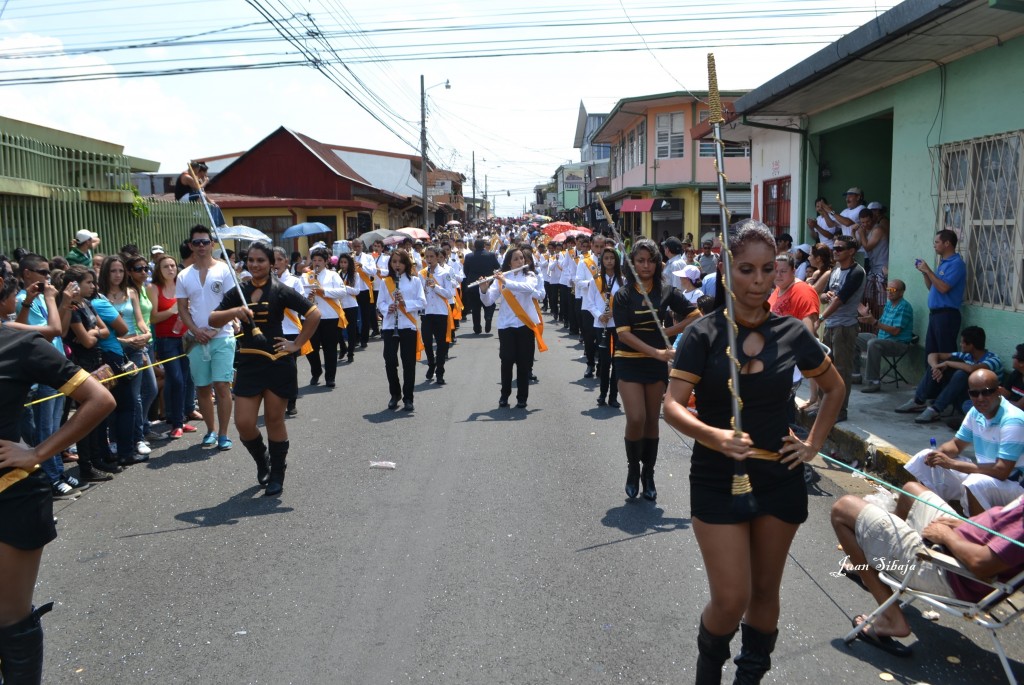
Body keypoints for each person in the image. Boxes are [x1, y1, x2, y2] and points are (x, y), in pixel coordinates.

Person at [662, 220, 844, 685]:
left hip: (779, 477)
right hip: (716, 477)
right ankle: (708, 673)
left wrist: (812, 444)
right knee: (731, 598)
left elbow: (833, 388)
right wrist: (714, 436)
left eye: (768, 269)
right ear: (726, 270)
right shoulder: (702, 335)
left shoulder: (793, 333)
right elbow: (672, 407)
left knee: (765, 593)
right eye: (746, 269)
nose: (758, 280)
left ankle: (749, 678)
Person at [0, 272, 115, 685]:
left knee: (8, 619)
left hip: (10, 497)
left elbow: (99, 399)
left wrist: (38, 452)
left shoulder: (19, 343)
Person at [831, 483, 1024, 656]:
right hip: (958, 544)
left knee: (843, 508)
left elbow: (981, 564)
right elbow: (1000, 532)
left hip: (949, 570)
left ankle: (891, 618)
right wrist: (965, 525)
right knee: (910, 491)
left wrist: (947, 536)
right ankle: (878, 562)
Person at [209, 242, 320, 496]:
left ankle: (278, 473)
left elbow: (313, 314)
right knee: (244, 423)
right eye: (250, 260)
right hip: (249, 362)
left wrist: (297, 344)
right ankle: (262, 460)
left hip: (277, 361)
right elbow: (212, 319)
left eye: (260, 260)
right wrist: (236, 311)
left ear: (272, 263)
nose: (255, 265)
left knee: (273, 419)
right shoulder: (240, 289)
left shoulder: (281, 290)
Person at [612, 238, 699, 502]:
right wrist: (658, 351)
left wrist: (669, 333)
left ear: (658, 262)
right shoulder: (623, 295)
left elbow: (694, 314)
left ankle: (648, 473)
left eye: (650, 260)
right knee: (636, 418)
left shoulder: (666, 292)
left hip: (655, 365)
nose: (646, 265)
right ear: (632, 264)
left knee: (652, 420)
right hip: (628, 360)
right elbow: (624, 335)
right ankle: (632, 470)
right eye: (640, 260)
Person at [900, 369, 1024, 516]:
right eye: (974, 393)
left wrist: (951, 463)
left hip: (1014, 486)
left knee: (975, 483)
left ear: (998, 391)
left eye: (986, 392)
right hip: (988, 475)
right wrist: (939, 453)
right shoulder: (975, 412)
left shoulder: (1013, 420)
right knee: (924, 457)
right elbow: (957, 444)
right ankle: (929, 514)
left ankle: (979, 534)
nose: (980, 398)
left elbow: (1002, 471)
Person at [15, 256, 79, 497]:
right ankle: (51, 477)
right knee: (47, 430)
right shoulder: (24, 301)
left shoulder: (44, 298)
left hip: (56, 367)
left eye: (48, 272)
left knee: (55, 426)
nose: (47, 277)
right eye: (42, 272)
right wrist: (54, 301)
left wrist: (64, 304)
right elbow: (47, 334)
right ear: (27, 273)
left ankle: (58, 471)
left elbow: (61, 331)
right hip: (41, 371)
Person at [175, 225, 236, 451]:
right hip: (196, 338)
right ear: (191, 246)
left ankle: (223, 433)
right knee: (202, 387)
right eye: (196, 242)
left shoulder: (224, 270)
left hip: (223, 336)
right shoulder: (183, 275)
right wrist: (196, 330)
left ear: (212, 244)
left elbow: (231, 302)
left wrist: (214, 329)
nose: (201, 246)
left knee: (222, 385)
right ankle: (210, 430)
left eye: (205, 241)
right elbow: (182, 308)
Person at [96, 255, 150, 465]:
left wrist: (145, 335)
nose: (117, 275)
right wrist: (123, 339)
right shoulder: (99, 296)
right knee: (116, 399)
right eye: (113, 271)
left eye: (120, 271)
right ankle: (118, 441)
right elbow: (106, 331)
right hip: (111, 351)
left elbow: (140, 321)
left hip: (135, 348)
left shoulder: (131, 292)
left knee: (137, 396)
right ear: (105, 273)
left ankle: (136, 439)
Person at [481, 248, 545, 408]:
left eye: (522, 258)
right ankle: (504, 395)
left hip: (525, 324)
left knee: (523, 363)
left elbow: (528, 289)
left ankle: (522, 397)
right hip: (506, 325)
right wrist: (483, 289)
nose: (520, 261)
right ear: (509, 262)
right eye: (516, 259)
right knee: (507, 360)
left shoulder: (529, 276)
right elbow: (488, 301)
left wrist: (505, 281)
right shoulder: (500, 278)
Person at [897, 326, 1002, 423]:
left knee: (961, 374)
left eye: (962, 342)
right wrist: (935, 367)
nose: (960, 345)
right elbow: (933, 355)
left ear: (971, 345)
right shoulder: (966, 355)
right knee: (936, 364)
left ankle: (936, 409)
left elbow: (971, 369)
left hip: (974, 397)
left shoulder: (993, 359)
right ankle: (918, 401)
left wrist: (947, 363)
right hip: (958, 392)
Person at [813, 237, 865, 422]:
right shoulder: (835, 270)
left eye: (840, 248)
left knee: (842, 371)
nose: (835, 251)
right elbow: (823, 294)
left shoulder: (857, 272)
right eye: (834, 248)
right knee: (824, 368)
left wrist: (820, 318)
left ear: (851, 251)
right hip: (831, 325)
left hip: (845, 327)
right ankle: (822, 407)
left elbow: (840, 299)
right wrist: (824, 295)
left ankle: (840, 412)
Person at [148, 255, 194, 439]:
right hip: (166, 339)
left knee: (185, 377)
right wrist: (172, 310)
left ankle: (180, 419)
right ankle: (176, 422)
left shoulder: (182, 285)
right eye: (166, 266)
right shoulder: (153, 288)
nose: (170, 269)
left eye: (173, 266)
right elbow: (153, 318)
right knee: (175, 379)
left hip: (185, 337)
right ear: (159, 269)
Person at [377, 249, 425, 411]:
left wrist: (405, 303)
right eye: (394, 262)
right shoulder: (386, 282)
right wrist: (387, 308)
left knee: (408, 363)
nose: (397, 265)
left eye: (400, 262)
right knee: (390, 360)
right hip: (391, 326)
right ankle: (395, 394)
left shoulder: (415, 281)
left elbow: (422, 302)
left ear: (406, 263)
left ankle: (408, 398)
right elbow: (380, 303)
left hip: (408, 326)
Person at [915, 228, 967, 365]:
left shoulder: (957, 264)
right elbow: (932, 288)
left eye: (937, 242)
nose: (934, 245)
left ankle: (946, 384)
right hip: (935, 315)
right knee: (931, 353)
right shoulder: (943, 263)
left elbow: (944, 288)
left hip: (947, 315)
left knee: (944, 353)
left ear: (947, 243)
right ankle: (931, 385)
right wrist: (925, 273)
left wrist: (929, 270)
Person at [125, 253, 161, 444]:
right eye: (139, 269)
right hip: (135, 344)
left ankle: (144, 425)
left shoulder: (144, 289)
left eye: (146, 268)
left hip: (148, 341)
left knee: (150, 390)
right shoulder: (131, 291)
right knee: (142, 392)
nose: (144, 272)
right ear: (129, 272)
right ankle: (139, 431)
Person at [855, 279, 914, 393]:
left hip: (898, 344)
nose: (889, 292)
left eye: (893, 290)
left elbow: (895, 331)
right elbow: (879, 325)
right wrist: (868, 316)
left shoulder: (904, 307)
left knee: (873, 344)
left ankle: (874, 382)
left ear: (901, 292)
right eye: (888, 289)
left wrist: (874, 322)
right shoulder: (888, 304)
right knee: (854, 337)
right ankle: (855, 374)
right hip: (882, 339)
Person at [301, 247, 347, 388]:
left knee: (330, 348)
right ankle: (316, 371)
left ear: (326, 261)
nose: (316, 263)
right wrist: (306, 297)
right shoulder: (306, 276)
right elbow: (299, 294)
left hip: (330, 316)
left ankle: (330, 377)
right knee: (312, 348)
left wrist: (323, 291)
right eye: (314, 260)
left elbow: (342, 292)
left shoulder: (333, 275)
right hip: (312, 317)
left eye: (320, 260)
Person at [584, 247, 625, 408]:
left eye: (612, 258)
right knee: (605, 360)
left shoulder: (623, 280)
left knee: (616, 361)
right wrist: (599, 315)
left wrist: (615, 312)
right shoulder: (596, 280)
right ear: (602, 261)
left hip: (617, 325)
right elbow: (589, 302)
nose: (609, 261)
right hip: (600, 324)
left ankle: (613, 396)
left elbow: (625, 302)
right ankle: (602, 394)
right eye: (606, 258)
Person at [420, 246, 454, 385]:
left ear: (437, 257)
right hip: (427, 312)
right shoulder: (421, 273)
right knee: (427, 342)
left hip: (441, 312)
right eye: (426, 257)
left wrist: (435, 287)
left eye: (431, 257)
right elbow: (419, 293)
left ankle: (440, 371)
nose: (429, 260)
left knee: (441, 344)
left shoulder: (444, 273)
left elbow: (449, 294)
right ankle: (431, 363)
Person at [855, 208, 890, 326]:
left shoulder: (878, 229)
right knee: (869, 300)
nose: (865, 225)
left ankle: (881, 326)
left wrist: (861, 233)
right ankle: (872, 327)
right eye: (862, 222)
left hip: (882, 269)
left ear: (873, 219)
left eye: (868, 222)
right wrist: (852, 232)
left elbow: (867, 247)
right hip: (873, 270)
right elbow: (855, 247)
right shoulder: (864, 231)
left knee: (882, 302)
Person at [461, 238, 501, 335]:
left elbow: (466, 271)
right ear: (484, 245)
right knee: (489, 303)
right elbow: (497, 266)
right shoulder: (490, 255)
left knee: (475, 307)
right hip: (488, 283)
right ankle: (488, 317)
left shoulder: (469, 256)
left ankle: (477, 327)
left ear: (474, 246)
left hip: (473, 284)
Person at [349, 239, 377, 348]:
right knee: (353, 315)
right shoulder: (350, 257)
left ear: (362, 246)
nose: (356, 248)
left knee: (365, 315)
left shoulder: (369, 257)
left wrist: (362, 266)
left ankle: (364, 339)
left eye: (358, 246)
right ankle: (355, 338)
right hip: (353, 289)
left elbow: (373, 271)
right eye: (354, 246)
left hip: (365, 289)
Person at [334, 253, 361, 365]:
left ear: (349, 264)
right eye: (341, 262)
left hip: (351, 305)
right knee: (337, 330)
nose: (343, 265)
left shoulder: (355, 275)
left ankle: (350, 353)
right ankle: (343, 347)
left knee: (351, 330)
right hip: (339, 305)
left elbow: (357, 291)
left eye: (345, 262)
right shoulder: (336, 275)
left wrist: (344, 287)